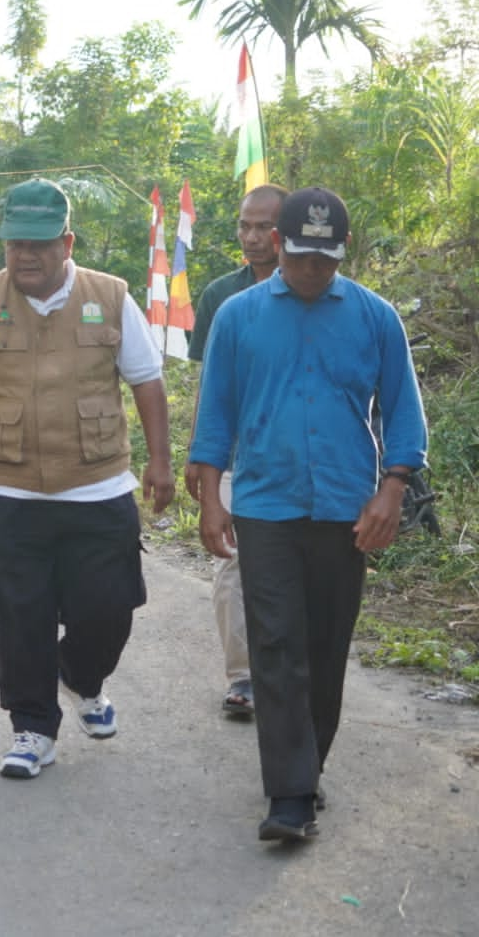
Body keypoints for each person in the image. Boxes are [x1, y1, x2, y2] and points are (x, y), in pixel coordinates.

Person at [190, 186, 426, 843]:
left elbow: (404, 413)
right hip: (265, 502)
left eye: (324, 260)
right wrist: (212, 499)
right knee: (275, 645)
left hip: (347, 507)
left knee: (325, 647)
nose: (311, 271)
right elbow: (215, 417)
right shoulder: (238, 317)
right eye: (299, 257)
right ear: (276, 245)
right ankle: (289, 793)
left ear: (340, 253)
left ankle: (307, 764)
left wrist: (393, 488)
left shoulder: (376, 318)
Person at [0, 178, 173, 779]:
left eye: (39, 245)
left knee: (110, 608)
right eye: (15, 244)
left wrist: (161, 464)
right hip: (11, 492)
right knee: (20, 615)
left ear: (67, 242)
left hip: (99, 487)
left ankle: (81, 675)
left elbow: (147, 383)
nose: (26, 256)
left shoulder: (111, 297)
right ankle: (32, 727)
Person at [184, 184, 287, 718]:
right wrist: (200, 455)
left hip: (296, 457)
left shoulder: (322, 290)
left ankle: (294, 667)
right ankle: (244, 675)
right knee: (234, 561)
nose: (252, 237)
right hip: (235, 454)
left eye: (262, 227)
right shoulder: (220, 295)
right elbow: (211, 386)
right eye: (244, 226)